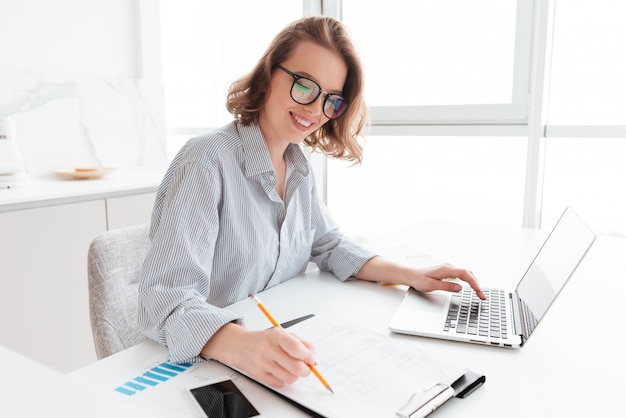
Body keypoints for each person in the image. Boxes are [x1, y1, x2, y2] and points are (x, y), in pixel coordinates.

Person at [138, 15, 485, 390]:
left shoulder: (298, 167)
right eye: (305, 86)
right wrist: (243, 345)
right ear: (270, 73)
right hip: (203, 366)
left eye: (331, 101)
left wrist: (411, 276)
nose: (315, 110)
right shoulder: (206, 161)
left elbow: (330, 245)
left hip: (273, 354)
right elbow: (166, 300)